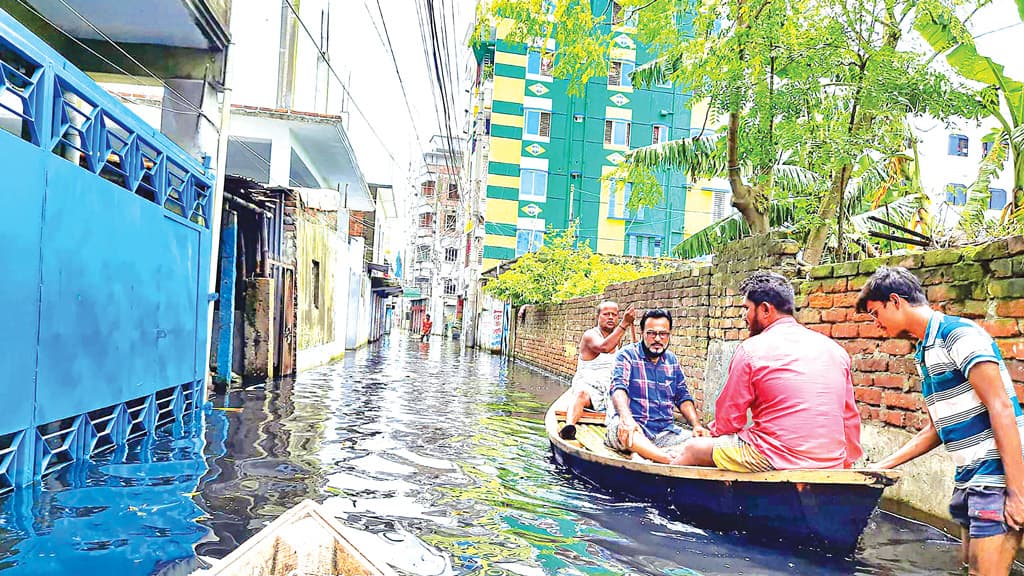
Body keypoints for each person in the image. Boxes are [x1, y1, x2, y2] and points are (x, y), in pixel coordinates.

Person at [856, 266, 1024, 575]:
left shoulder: (958, 335)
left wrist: (1018, 493)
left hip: (996, 469)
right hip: (969, 471)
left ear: (895, 301)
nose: (875, 323)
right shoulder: (924, 350)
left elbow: (1000, 408)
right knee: (968, 568)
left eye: (875, 313)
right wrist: (881, 466)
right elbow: (936, 430)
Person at [672, 271, 862, 471]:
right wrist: (845, 464)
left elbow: (729, 419)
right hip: (831, 460)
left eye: (746, 309)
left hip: (774, 456)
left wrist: (711, 435)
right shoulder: (836, 351)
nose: (744, 317)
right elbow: (849, 418)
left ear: (764, 309)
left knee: (693, 448)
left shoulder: (750, 350)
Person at [606, 309, 708, 463]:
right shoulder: (626, 355)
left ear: (669, 335)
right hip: (635, 428)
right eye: (651, 333)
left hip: (664, 433)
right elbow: (618, 388)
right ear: (642, 333)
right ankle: (665, 458)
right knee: (624, 431)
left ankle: (644, 454)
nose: (657, 339)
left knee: (705, 443)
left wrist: (696, 425)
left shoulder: (671, 360)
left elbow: (682, 396)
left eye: (663, 334)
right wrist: (626, 418)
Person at [560, 301, 636, 440]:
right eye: (606, 314)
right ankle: (569, 426)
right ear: (598, 317)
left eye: (614, 314)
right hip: (589, 387)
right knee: (581, 395)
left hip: (609, 389)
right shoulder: (590, 335)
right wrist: (624, 324)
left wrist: (630, 326)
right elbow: (604, 347)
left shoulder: (616, 338)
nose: (611, 318)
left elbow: (636, 353)